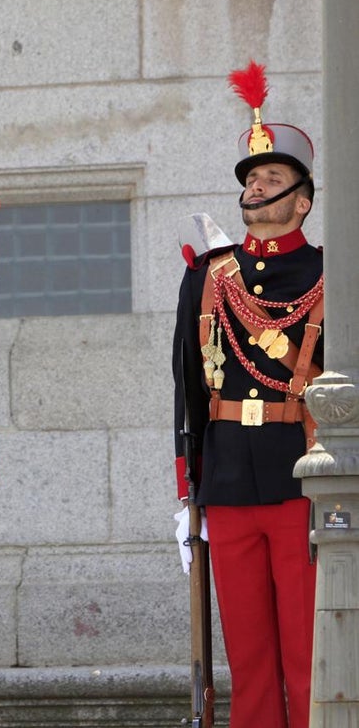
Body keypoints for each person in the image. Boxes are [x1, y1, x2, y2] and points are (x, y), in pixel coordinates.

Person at [172, 61, 322, 728]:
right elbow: (186, 389)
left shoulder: (328, 273)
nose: (255, 189)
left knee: (308, 653)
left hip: (304, 479)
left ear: (302, 199)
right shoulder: (208, 277)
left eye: (270, 179)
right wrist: (187, 491)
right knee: (248, 661)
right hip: (228, 479)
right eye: (250, 179)